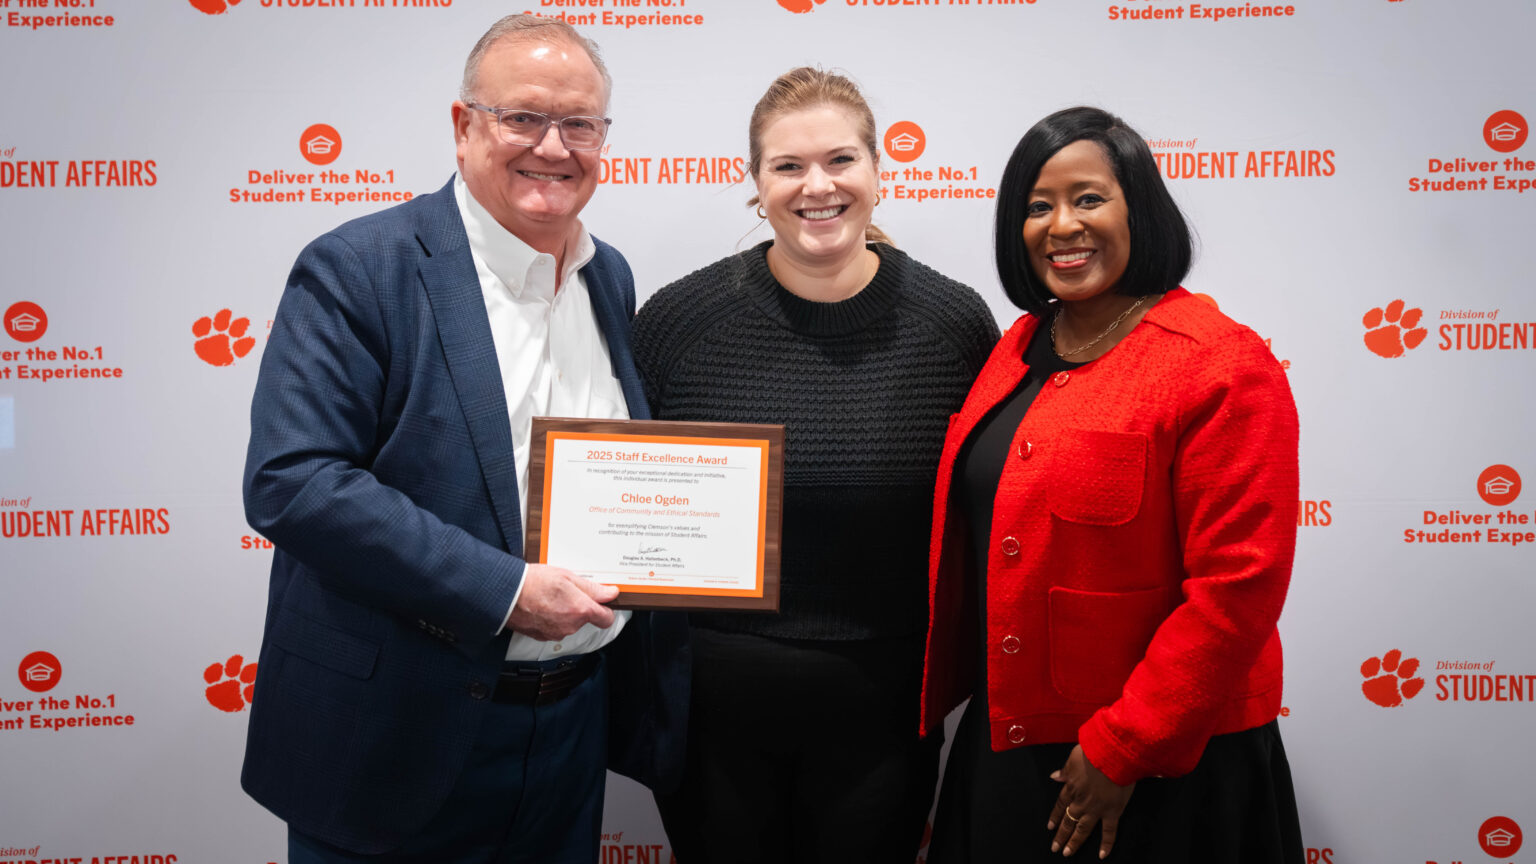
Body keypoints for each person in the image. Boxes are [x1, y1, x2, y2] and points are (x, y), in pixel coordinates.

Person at [240, 15, 685, 864]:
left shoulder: (609, 275)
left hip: (566, 735)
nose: (553, 147)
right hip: (396, 733)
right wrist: (505, 589)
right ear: (463, 126)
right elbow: (293, 480)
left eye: (580, 124)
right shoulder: (361, 267)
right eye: (523, 117)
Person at [632, 67, 1001, 864]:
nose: (817, 186)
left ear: (878, 170)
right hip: (709, 726)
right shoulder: (677, 323)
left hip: (884, 720)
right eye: (788, 166)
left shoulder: (955, 325)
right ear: (755, 186)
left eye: (840, 160)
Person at [920, 106, 1304, 863]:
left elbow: (1239, 586)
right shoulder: (1020, 345)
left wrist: (1126, 746)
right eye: (1038, 207)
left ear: (1141, 208)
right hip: (1014, 738)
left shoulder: (1220, 363)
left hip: (1160, 764)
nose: (1062, 225)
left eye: (1089, 198)